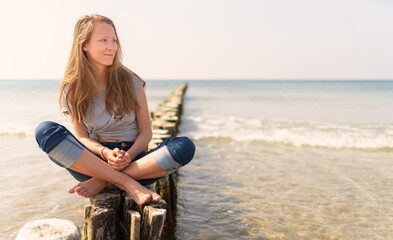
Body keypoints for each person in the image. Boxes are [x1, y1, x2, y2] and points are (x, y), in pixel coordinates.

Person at [34, 14, 195, 206]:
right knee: (45, 131)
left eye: (114, 40)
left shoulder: (131, 81)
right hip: (93, 161)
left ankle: (102, 181)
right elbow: (82, 137)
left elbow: (146, 132)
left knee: (185, 146)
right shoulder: (72, 88)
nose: (111, 46)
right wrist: (104, 154)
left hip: (135, 161)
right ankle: (127, 182)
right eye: (103, 40)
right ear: (84, 45)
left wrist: (128, 156)